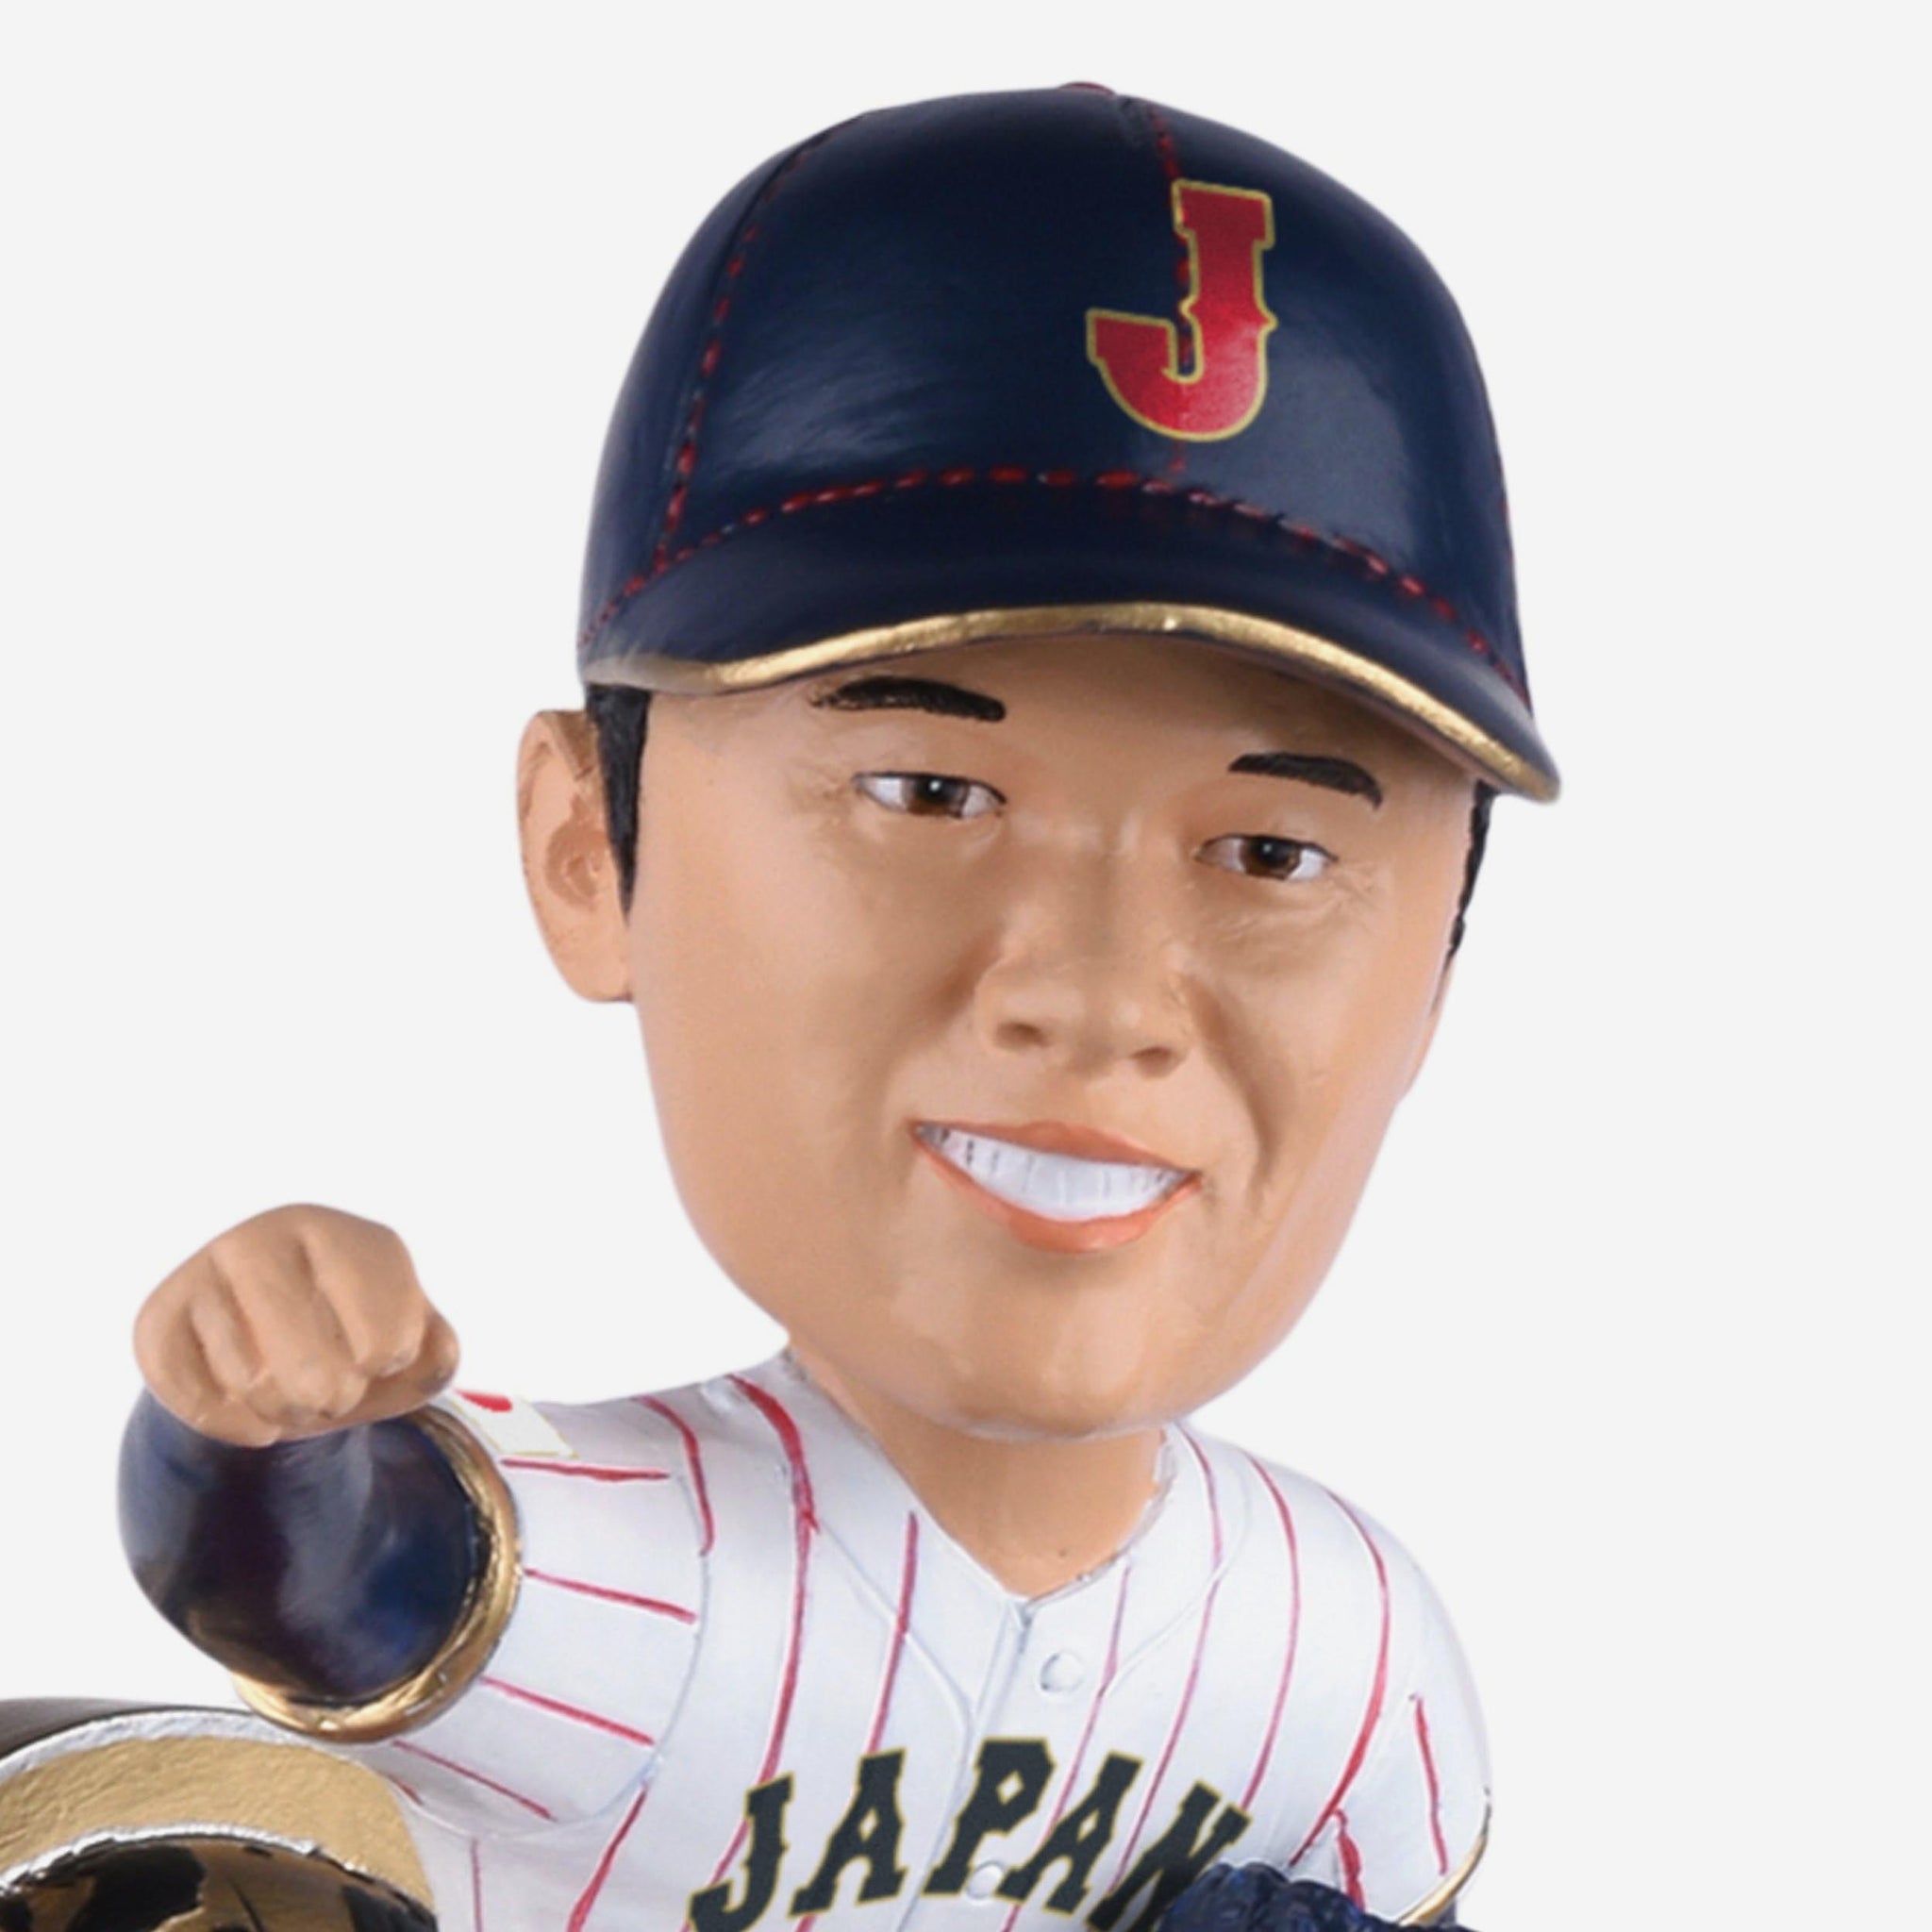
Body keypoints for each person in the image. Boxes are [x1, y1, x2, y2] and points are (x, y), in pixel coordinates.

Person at [118, 86, 1557, 1931]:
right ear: (589, 846)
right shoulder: (643, 1583)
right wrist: (255, 1417)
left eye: (1273, 853)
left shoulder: (1349, 1649)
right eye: (927, 794)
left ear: (1438, 968)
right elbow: (316, 1580)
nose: (1099, 993)